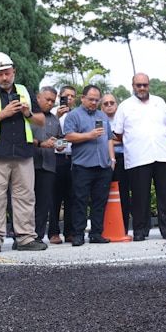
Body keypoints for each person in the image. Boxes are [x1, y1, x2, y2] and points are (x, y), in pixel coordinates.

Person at [0, 52, 48, 253]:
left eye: (6, 73)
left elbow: (41, 120)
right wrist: (4, 113)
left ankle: (25, 238)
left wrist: (27, 113)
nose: (4, 78)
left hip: (23, 152)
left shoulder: (25, 91)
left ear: (14, 71)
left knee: (25, 196)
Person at [111, 73, 166, 241]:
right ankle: (140, 230)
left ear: (149, 85)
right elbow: (117, 134)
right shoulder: (124, 106)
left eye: (144, 85)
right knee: (140, 197)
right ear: (133, 86)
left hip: (162, 155)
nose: (141, 88)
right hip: (138, 156)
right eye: (138, 85)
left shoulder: (159, 102)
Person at [63, 84, 114, 246]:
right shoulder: (74, 115)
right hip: (83, 165)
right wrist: (89, 135)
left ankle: (96, 233)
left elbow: (109, 138)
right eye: (90, 99)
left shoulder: (103, 116)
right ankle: (78, 234)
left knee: (100, 201)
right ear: (82, 98)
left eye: (96, 100)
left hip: (103, 165)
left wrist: (112, 159)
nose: (93, 102)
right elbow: (69, 136)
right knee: (80, 201)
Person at [48, 85, 77, 244]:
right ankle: (53, 232)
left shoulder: (77, 114)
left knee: (71, 197)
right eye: (66, 96)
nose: (69, 99)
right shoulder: (52, 113)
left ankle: (70, 231)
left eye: (72, 96)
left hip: (72, 158)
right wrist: (57, 116)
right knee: (54, 198)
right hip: (56, 158)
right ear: (60, 97)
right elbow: (48, 135)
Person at [33, 86, 60, 243]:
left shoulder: (55, 120)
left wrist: (60, 144)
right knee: (26, 202)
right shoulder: (29, 116)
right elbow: (25, 138)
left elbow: (60, 138)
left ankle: (38, 236)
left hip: (49, 165)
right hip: (30, 164)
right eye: (47, 99)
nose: (50, 103)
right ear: (38, 98)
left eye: (52, 101)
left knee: (44, 203)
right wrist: (41, 143)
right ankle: (22, 235)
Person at [102, 93, 130, 233]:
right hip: (104, 160)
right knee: (102, 195)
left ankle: (123, 227)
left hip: (123, 158)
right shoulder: (99, 120)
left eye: (111, 103)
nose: (109, 106)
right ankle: (104, 228)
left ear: (116, 105)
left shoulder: (123, 118)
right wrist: (113, 140)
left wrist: (109, 140)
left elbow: (129, 138)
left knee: (123, 195)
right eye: (105, 103)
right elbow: (100, 140)